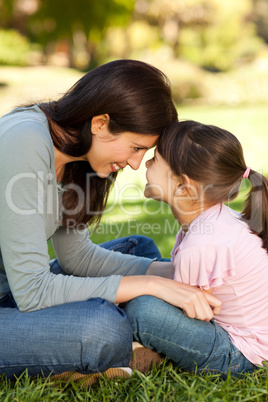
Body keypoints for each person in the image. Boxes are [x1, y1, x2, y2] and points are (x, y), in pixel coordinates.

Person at [0, 60, 221, 382]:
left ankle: (99, 353)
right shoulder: (25, 141)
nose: (134, 164)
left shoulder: (76, 155)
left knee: (140, 248)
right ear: (100, 124)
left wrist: (181, 276)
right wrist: (154, 285)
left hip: (15, 292)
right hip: (22, 295)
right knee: (102, 326)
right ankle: (96, 352)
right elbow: (34, 291)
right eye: (135, 148)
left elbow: (76, 257)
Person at [125, 120, 268, 378]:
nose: (146, 163)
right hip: (243, 336)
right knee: (141, 245)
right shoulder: (210, 222)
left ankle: (138, 353)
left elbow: (192, 312)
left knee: (143, 309)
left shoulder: (202, 244)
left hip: (240, 354)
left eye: (155, 160)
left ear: (183, 186)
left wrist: (126, 289)